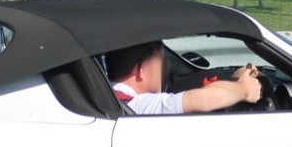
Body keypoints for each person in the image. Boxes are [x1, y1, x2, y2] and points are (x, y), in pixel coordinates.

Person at [106, 41, 262, 114]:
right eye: (161, 59)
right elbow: (205, 100)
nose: (164, 65)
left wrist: (234, 82)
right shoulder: (135, 105)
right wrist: (244, 89)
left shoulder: (107, 93)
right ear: (141, 69)